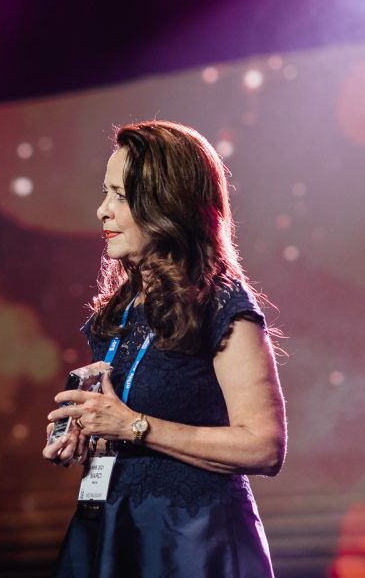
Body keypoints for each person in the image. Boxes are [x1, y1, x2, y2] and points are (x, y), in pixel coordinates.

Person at [42, 120, 287, 577]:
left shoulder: (220, 302)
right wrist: (87, 433)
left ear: (165, 204)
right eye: (105, 192)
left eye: (120, 195)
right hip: (112, 533)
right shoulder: (119, 312)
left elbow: (264, 446)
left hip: (192, 544)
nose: (102, 211)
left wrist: (133, 425)